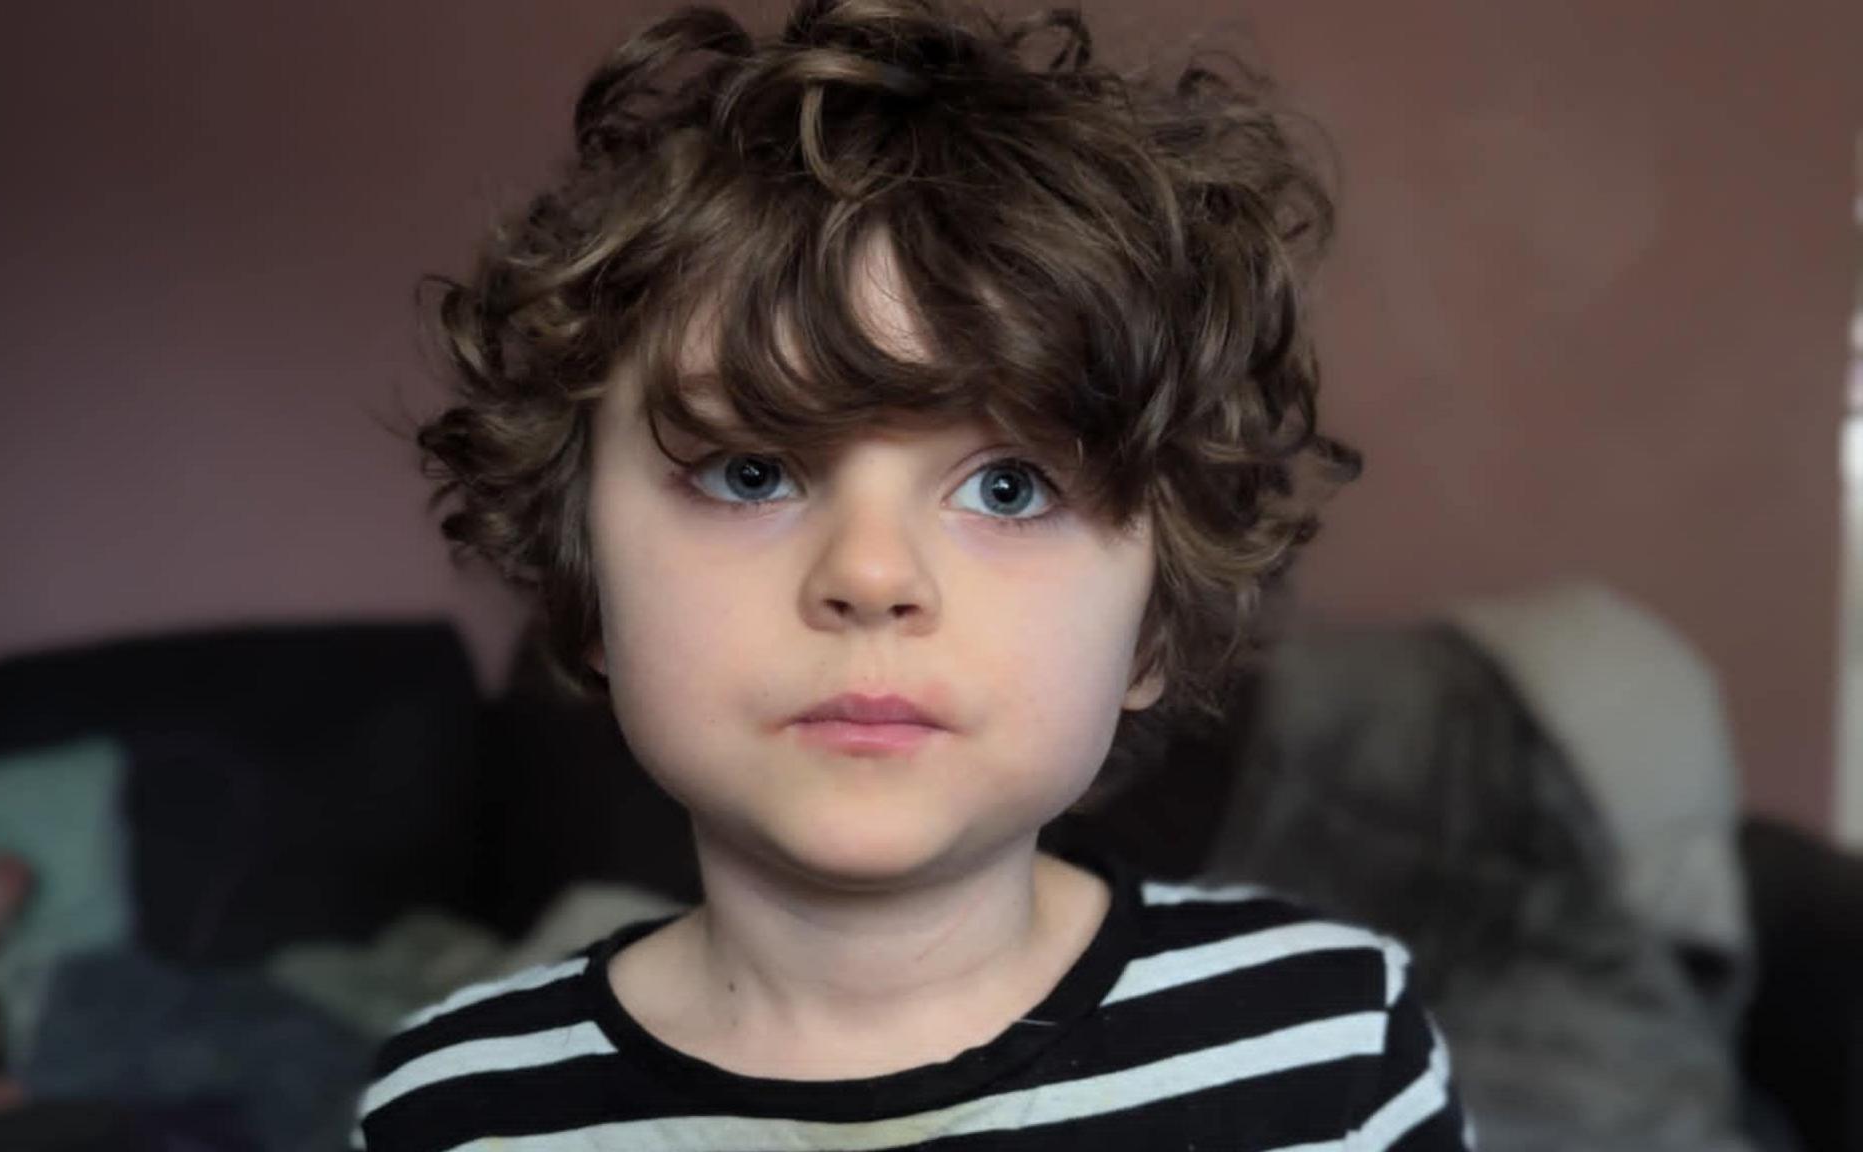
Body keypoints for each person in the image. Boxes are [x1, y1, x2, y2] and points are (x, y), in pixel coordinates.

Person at [356, 0, 1473, 1148]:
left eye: (1008, 488)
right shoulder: (453, 1111)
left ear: (1149, 620)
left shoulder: (1330, 1046)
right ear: (584, 575)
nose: (872, 574)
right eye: (750, 473)